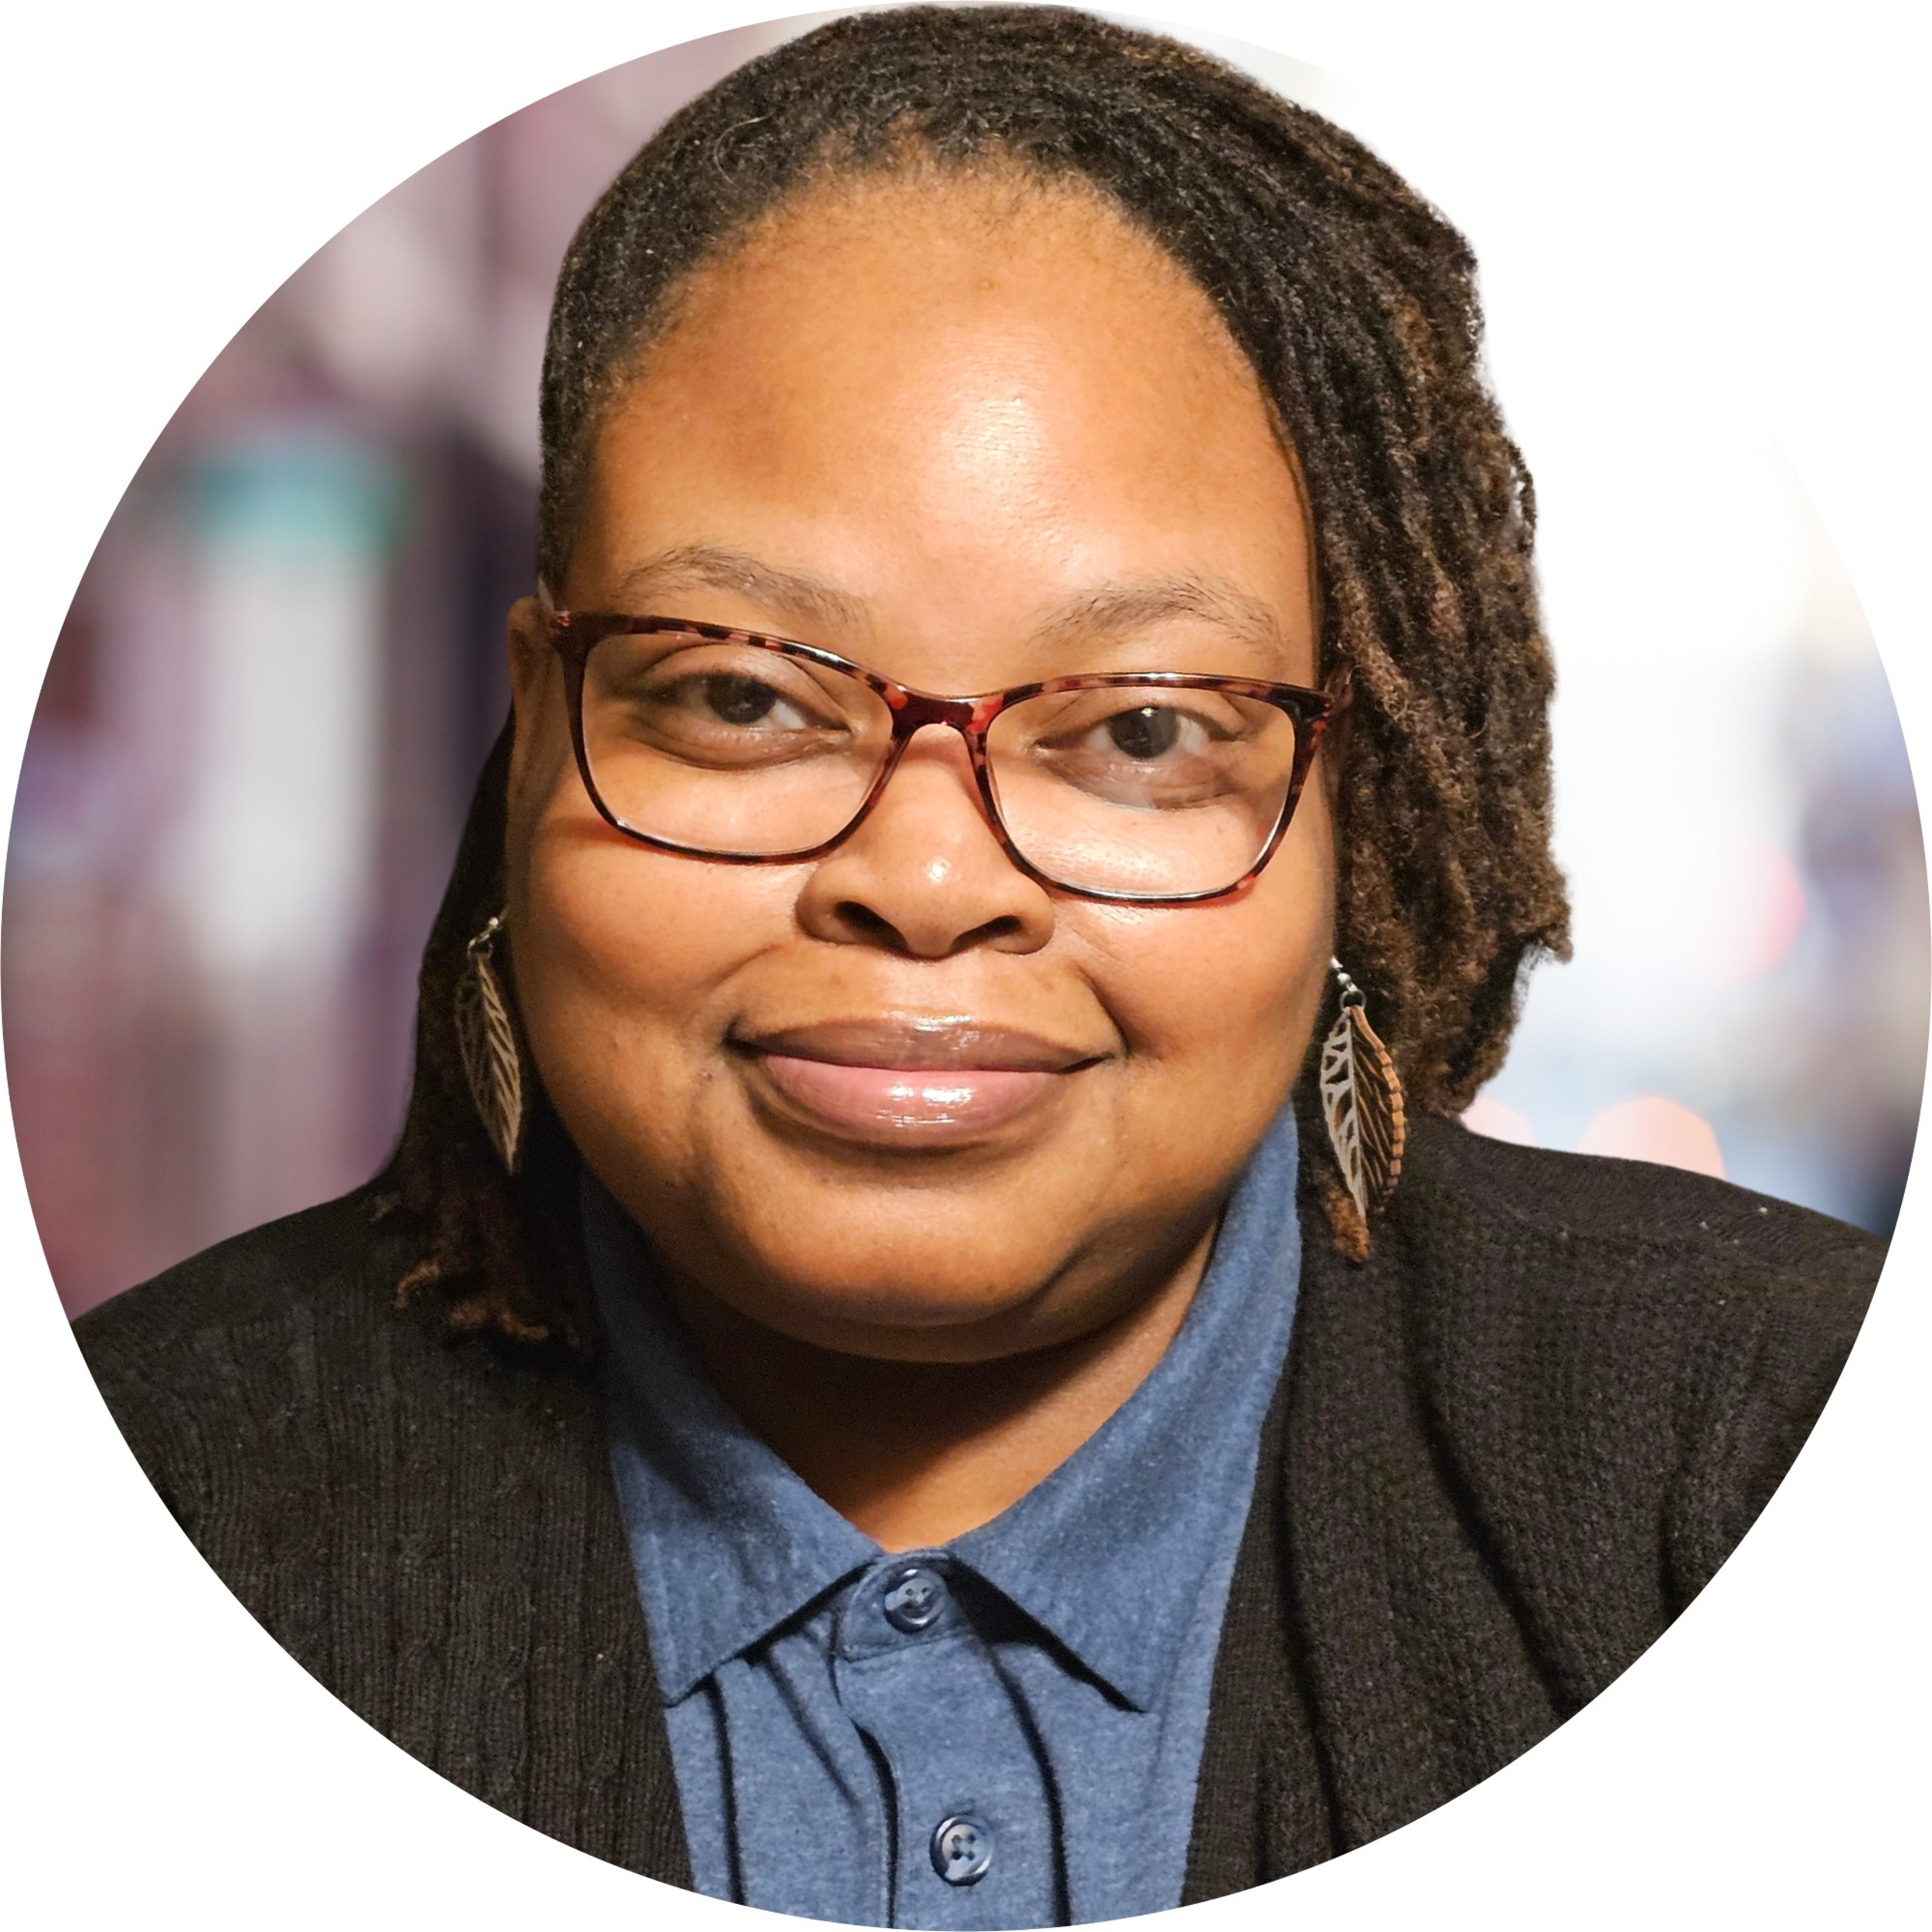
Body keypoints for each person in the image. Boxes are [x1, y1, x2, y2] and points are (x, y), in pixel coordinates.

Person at [75, 8, 1883, 1924]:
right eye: (743, 696)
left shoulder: (1776, 1463)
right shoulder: (132, 1503)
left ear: (1345, 808)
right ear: (537, 730)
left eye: (1140, 730)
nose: (926, 879)